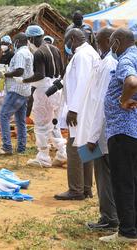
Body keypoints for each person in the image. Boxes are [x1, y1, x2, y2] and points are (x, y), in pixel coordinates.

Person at [74, 27, 119, 230]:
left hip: (101, 132)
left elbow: (103, 102)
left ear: (108, 42)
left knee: (104, 176)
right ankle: (109, 216)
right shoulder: (107, 60)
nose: (98, 45)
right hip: (101, 128)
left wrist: (92, 136)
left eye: (99, 42)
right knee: (106, 175)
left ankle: (110, 218)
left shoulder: (109, 63)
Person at [99, 28, 137, 243]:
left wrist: (123, 100)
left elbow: (131, 83)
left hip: (122, 130)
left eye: (112, 42)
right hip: (133, 131)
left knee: (122, 182)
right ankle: (133, 228)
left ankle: (127, 232)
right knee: (133, 180)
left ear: (118, 41)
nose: (111, 46)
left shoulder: (126, 60)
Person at [54, 28, 100, 200]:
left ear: (72, 39)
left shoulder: (82, 56)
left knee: (74, 149)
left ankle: (75, 190)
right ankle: (86, 188)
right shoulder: (90, 53)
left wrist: (73, 109)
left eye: (66, 41)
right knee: (86, 147)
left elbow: (82, 82)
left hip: (80, 109)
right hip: (87, 109)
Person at [23, 25, 67, 168]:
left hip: (44, 92)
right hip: (57, 89)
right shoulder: (54, 49)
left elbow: (40, 75)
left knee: (41, 126)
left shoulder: (38, 53)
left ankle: (43, 157)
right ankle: (62, 153)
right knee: (54, 123)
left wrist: (23, 80)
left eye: (28, 39)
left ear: (31, 38)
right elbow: (61, 71)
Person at [0, 32, 33, 155]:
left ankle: (7, 147)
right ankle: (21, 147)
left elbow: (20, 71)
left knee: (3, 115)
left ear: (17, 41)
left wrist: (5, 74)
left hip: (17, 89)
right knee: (20, 120)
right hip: (25, 90)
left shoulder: (21, 53)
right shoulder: (28, 53)